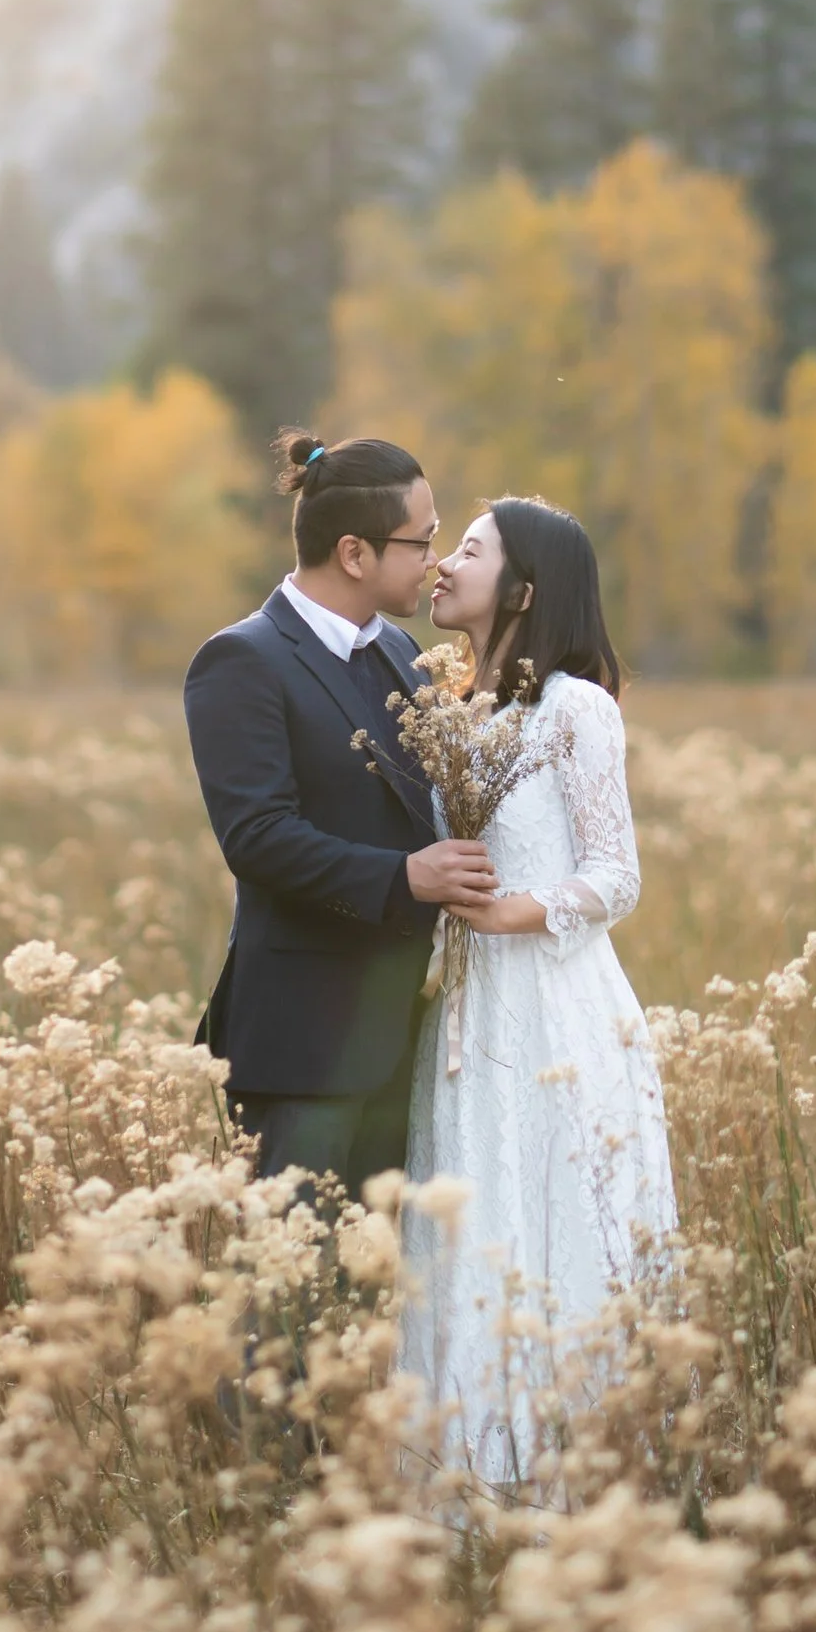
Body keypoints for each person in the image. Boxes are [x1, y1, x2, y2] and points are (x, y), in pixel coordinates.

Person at [398, 497, 675, 1484]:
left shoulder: (574, 708)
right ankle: (471, 1477)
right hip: (468, 1020)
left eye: (465, 550)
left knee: (554, 1228)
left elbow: (615, 874)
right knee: (473, 1226)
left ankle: (572, 1473)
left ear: (521, 589)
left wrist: (506, 910)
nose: (441, 566)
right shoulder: (456, 714)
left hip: (553, 1013)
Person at [183, 431, 500, 1199]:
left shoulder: (400, 653)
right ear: (355, 553)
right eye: (420, 541)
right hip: (299, 1048)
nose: (434, 559)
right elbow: (257, 837)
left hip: (401, 1038)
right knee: (294, 1300)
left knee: (377, 1298)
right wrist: (404, 877)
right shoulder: (242, 660)